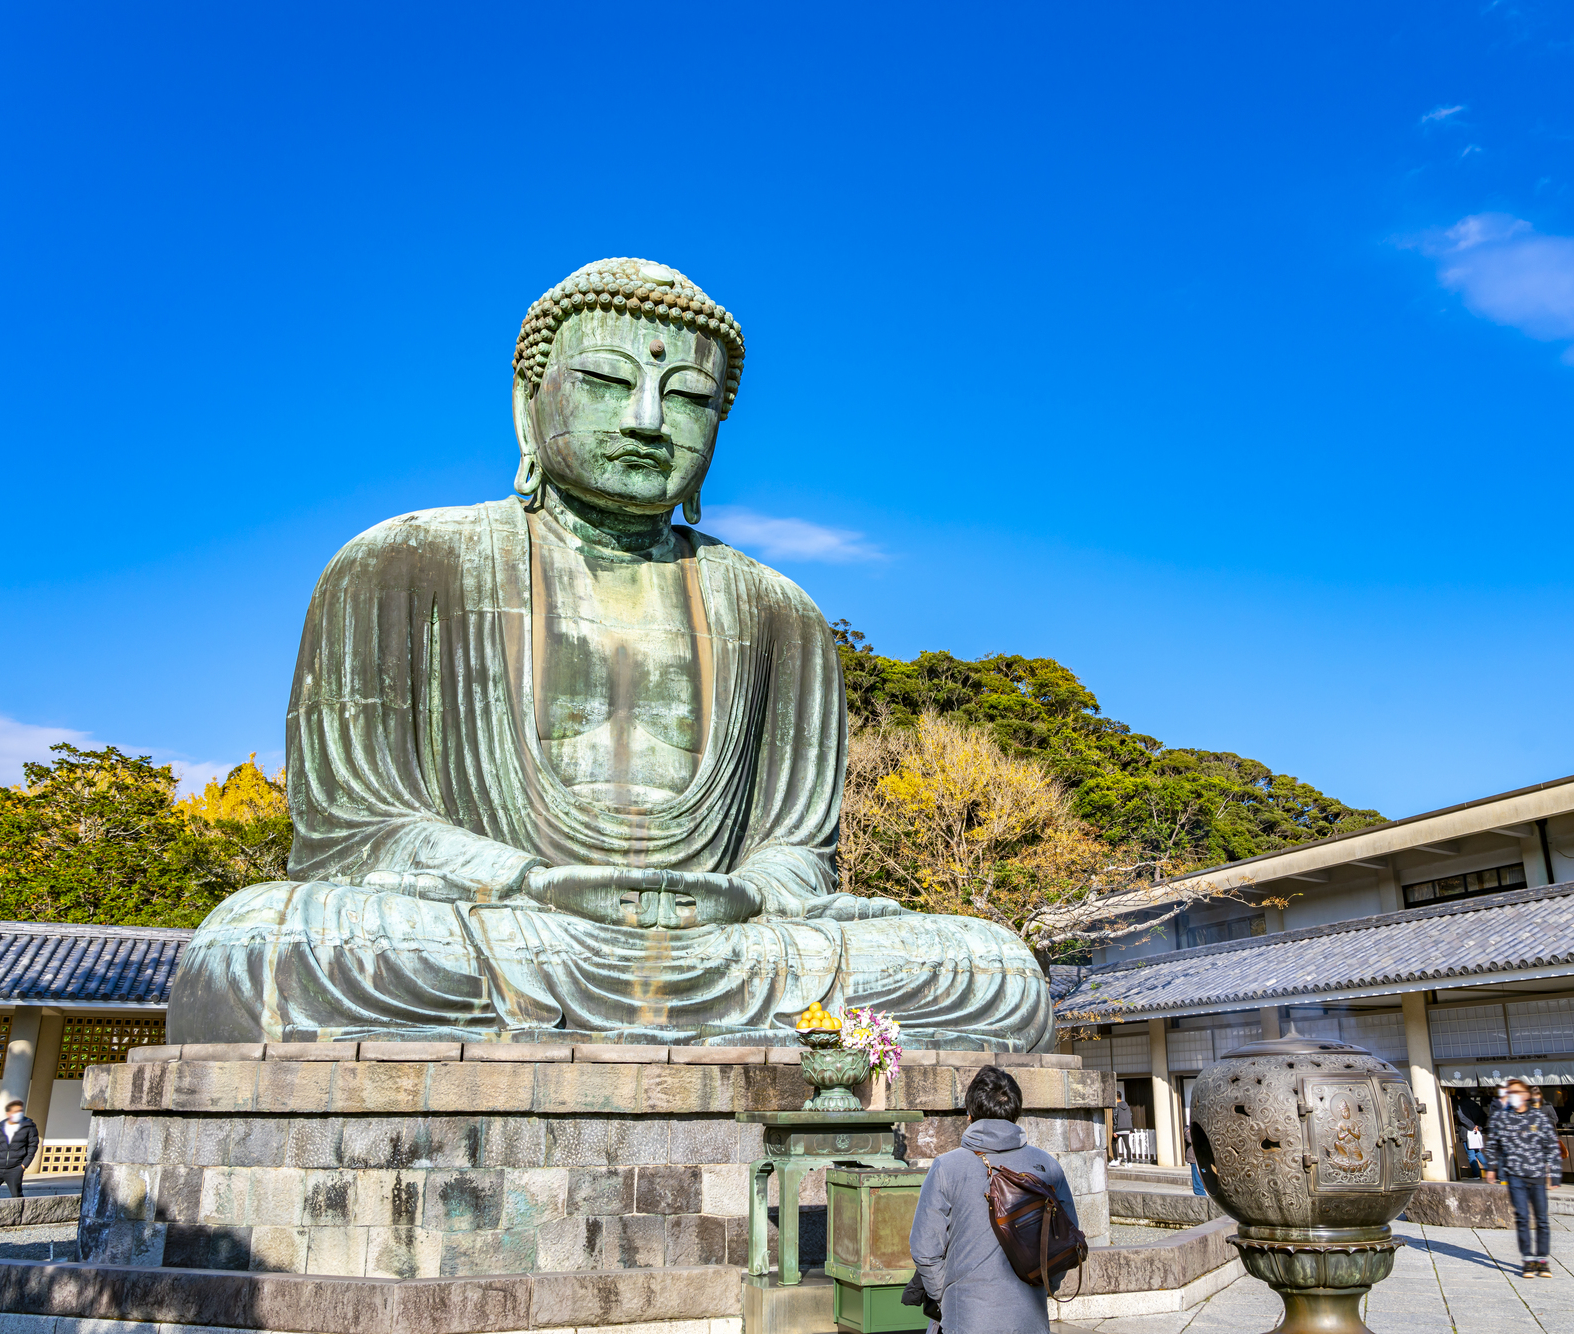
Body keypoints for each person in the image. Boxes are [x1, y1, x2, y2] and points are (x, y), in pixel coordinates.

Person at [165, 256, 1053, 1052]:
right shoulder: (399, 566)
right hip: (510, 928)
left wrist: (744, 894)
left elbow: (797, 853)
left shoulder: (782, 614)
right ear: (528, 401)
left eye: (689, 399)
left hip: (725, 942)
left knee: (994, 969)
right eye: (604, 381)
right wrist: (533, 883)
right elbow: (354, 833)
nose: (647, 419)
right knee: (257, 948)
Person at [910, 1067, 1081, 1334]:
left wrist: (946, 1298)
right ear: (1016, 1113)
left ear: (970, 1114)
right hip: (1030, 1320)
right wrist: (1045, 1284)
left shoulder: (947, 1167)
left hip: (965, 1320)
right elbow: (1067, 1241)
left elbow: (924, 1249)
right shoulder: (1047, 1166)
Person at [1484, 1077, 1560, 1279]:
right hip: (1514, 1174)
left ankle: (1542, 1259)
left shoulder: (1539, 1117)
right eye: (1510, 1092)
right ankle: (1527, 1258)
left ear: (1526, 1095)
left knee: (1542, 1219)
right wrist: (1491, 1168)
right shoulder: (1501, 1118)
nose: (1513, 1096)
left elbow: (1551, 1146)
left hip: (1536, 1174)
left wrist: (1554, 1174)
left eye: (1517, 1092)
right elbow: (1493, 1144)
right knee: (1522, 1217)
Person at [0, 1100, 38, 1199]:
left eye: (20, 1110)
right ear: (8, 1113)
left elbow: (32, 1146)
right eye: (15, 1111)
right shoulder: (0, 1127)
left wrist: (24, 1165)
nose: (19, 1113)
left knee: (17, 1197)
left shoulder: (29, 1126)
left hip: (15, 1168)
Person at [1111, 1093, 1133, 1163]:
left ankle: (1115, 1159)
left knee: (1113, 1143)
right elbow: (1130, 1117)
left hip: (1119, 1129)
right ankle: (1129, 1162)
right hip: (1127, 1129)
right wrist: (1131, 1128)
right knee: (1127, 1146)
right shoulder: (1127, 1106)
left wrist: (1114, 1131)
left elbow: (1115, 1118)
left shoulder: (1116, 1107)